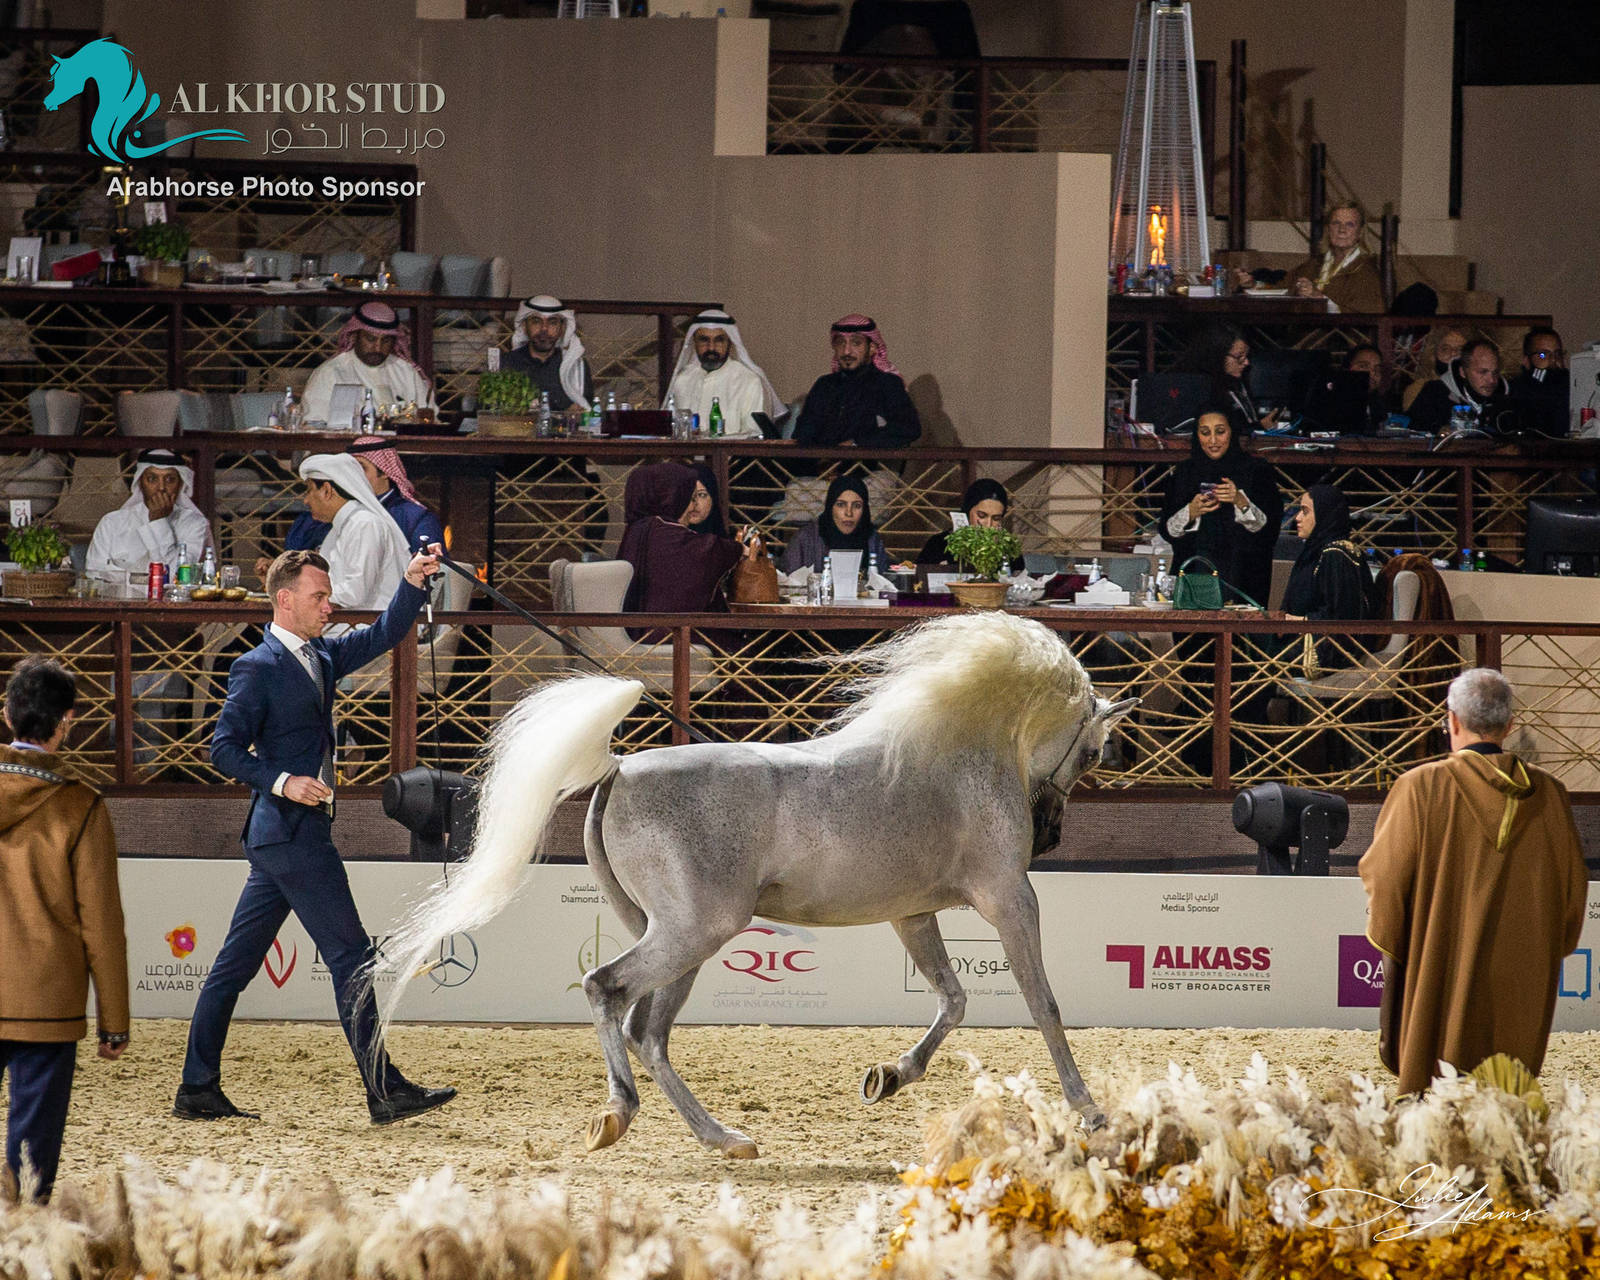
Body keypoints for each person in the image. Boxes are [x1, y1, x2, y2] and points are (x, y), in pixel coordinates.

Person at [175, 546, 457, 1125]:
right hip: (294, 835)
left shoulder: (320, 656)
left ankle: (197, 1088)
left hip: (282, 840)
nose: (329, 606)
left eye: (328, 597)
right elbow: (222, 750)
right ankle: (384, 1091)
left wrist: (410, 582)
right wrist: (283, 781)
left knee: (233, 968)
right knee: (352, 957)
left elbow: (385, 633)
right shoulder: (256, 666)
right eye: (319, 597)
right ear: (285, 600)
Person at [1359, 668, 1586, 1097]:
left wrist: (1402, 938)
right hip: (1521, 976)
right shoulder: (1551, 795)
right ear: (1510, 726)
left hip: (1439, 968)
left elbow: (1384, 879)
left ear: (1453, 721)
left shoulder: (1419, 787)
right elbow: (1574, 890)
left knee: (1435, 1097)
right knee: (1504, 1101)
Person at [0, 658, 128, 1201]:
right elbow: (102, 923)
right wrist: (114, 1020)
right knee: (32, 1147)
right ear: (66, 721)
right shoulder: (81, 807)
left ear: (6, 715)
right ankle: (21, 1240)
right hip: (46, 999)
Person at [1159, 407, 1279, 607]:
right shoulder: (1185, 472)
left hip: (1244, 575)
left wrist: (1240, 501)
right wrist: (1191, 511)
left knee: (1240, 635)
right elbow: (1167, 530)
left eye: (1220, 431)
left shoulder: (1257, 471)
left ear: (1232, 432)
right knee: (1194, 636)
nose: (1213, 441)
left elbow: (1269, 531)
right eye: (1205, 433)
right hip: (1194, 571)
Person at [618, 462, 753, 621]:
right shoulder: (664, 532)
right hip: (670, 634)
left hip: (635, 632)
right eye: (689, 497)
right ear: (670, 496)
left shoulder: (638, 529)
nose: (693, 506)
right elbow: (707, 550)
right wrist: (738, 549)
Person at [791, 315, 921, 460]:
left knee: (847, 484)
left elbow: (908, 428)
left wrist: (856, 444)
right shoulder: (824, 385)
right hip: (821, 469)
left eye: (856, 343)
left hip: (871, 470)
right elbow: (803, 432)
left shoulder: (888, 384)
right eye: (841, 343)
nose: (847, 351)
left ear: (872, 348)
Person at [297, 454, 411, 618]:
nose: (306, 500)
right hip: (346, 623)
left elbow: (354, 592)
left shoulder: (364, 524)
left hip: (370, 628)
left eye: (309, 490)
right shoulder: (343, 526)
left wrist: (303, 596)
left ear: (327, 490)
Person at [286, 437, 444, 555]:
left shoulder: (415, 518)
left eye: (361, 468)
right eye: (350, 469)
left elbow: (430, 571)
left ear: (385, 473)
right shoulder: (330, 512)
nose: (355, 476)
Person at [86, 448, 214, 583]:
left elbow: (177, 579)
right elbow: (94, 574)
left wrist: (158, 522)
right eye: (152, 479)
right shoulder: (112, 522)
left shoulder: (195, 524)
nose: (161, 487)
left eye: (170, 479)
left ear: (180, 484)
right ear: (140, 483)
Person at [302, 301, 436, 427]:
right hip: (347, 450)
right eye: (371, 339)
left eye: (386, 341)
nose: (378, 348)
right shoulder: (331, 372)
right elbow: (312, 425)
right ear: (355, 336)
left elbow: (429, 418)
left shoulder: (406, 371)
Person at [1281, 484, 1370, 672]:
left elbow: (1342, 615)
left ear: (1324, 514)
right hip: (1307, 637)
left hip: (1328, 647)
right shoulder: (1316, 551)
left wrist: (1300, 621)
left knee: (1252, 657)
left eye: (1305, 512)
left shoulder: (1336, 553)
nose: (1297, 518)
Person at [667, 308, 782, 439]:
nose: (711, 348)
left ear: (730, 343)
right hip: (684, 458)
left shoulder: (748, 380)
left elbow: (753, 434)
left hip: (730, 458)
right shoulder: (682, 379)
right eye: (704, 340)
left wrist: (710, 443)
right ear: (695, 342)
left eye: (719, 340)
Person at [779, 474, 890, 575]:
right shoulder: (806, 539)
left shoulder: (872, 540)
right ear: (830, 507)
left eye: (857, 506)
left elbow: (883, 584)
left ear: (865, 510)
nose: (849, 513)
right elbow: (788, 584)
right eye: (841, 505)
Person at [1178, 324, 1278, 435]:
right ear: (1218, 356)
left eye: (1246, 356)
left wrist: (1260, 426)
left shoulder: (1238, 383)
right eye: (1239, 357)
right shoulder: (1202, 392)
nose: (1246, 362)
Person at [500, 294, 593, 411]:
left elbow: (587, 412)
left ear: (562, 328)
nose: (544, 328)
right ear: (524, 326)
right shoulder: (505, 364)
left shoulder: (577, 368)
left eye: (552, 322)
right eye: (536, 321)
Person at [1288, 201, 1385, 313]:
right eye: (1336, 223)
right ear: (1328, 229)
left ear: (1360, 232)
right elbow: (1282, 289)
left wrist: (1320, 299)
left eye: (1350, 224)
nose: (1342, 230)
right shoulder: (1313, 264)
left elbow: (1368, 315)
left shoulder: (1368, 271)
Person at [1408, 338, 1514, 435]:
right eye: (1482, 372)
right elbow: (1411, 430)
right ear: (1463, 372)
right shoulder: (1434, 392)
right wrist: (1438, 430)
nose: (1491, 380)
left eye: (1495, 373)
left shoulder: (1507, 400)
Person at [917, 478, 1009, 565]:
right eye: (982, 516)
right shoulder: (939, 544)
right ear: (968, 511)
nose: (988, 525)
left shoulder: (1006, 549)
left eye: (996, 518)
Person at [1508, 327, 1570, 435]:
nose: (1553, 360)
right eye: (1543, 355)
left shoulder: (1573, 385)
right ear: (1526, 361)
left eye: (1558, 354)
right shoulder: (1515, 393)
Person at [1400, 325, 1468, 412]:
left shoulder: (1478, 386)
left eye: (1460, 349)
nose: (1453, 354)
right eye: (1445, 349)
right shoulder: (1418, 389)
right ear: (1433, 354)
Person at [685, 462, 728, 539]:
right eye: (688, 494)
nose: (695, 503)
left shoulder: (725, 546)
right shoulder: (665, 542)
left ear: (713, 499)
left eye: (702, 495)